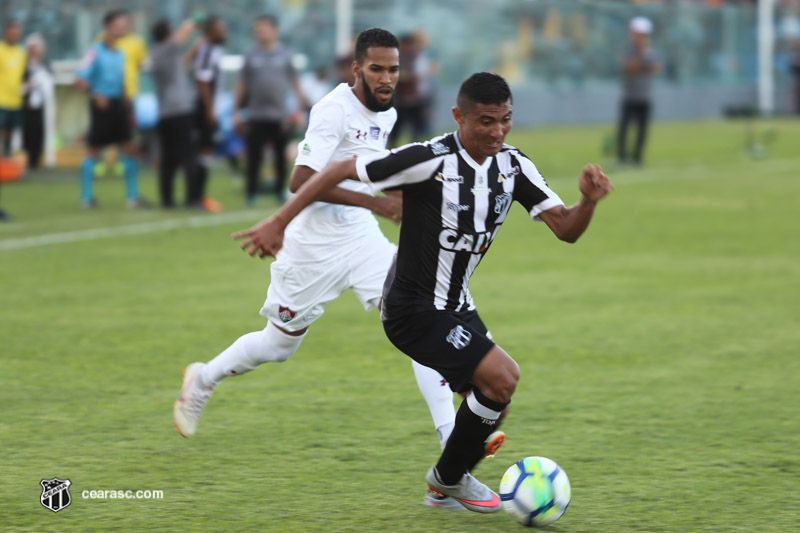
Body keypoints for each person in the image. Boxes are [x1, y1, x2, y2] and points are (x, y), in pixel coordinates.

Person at [232, 72, 613, 513]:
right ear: (459, 117)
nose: (497, 131)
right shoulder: (428, 160)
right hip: (411, 307)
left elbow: (565, 229)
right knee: (502, 376)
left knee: (492, 404)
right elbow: (337, 170)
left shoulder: (514, 166)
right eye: (485, 121)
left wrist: (587, 202)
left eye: (505, 120)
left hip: (457, 305)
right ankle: (448, 480)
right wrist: (279, 221)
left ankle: (443, 486)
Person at [174, 28, 469, 507]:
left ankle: (452, 448)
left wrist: (393, 194)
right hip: (310, 249)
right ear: (356, 69)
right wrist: (377, 204)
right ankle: (202, 380)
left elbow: (368, 169)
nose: (387, 77)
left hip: (360, 240)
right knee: (277, 347)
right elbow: (300, 178)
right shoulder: (331, 110)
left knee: (417, 319)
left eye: (393, 68)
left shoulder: (388, 111)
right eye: (376, 68)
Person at [234, 15, 309, 205]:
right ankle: (251, 192)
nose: (260, 33)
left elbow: (295, 83)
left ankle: (279, 191)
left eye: (264, 29)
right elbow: (241, 84)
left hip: (279, 115)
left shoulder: (285, 55)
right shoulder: (250, 56)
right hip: (256, 114)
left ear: (275, 31)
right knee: (254, 157)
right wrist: (236, 110)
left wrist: (299, 109)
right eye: (258, 29)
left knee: (279, 156)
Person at [75, 10, 146, 208]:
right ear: (108, 26)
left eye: (125, 24)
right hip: (101, 106)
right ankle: (86, 197)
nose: (123, 27)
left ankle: (133, 197)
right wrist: (95, 93)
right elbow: (79, 81)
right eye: (119, 24)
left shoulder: (121, 54)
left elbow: (122, 83)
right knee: (94, 151)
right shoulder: (95, 51)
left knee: (129, 148)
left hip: (118, 105)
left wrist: (129, 107)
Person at [150, 18, 199, 208]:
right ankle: (193, 198)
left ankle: (167, 199)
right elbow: (182, 35)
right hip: (179, 111)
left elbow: (183, 60)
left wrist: (198, 45)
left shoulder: (160, 54)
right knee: (188, 155)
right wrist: (192, 22)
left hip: (166, 113)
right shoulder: (165, 49)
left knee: (169, 158)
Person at [190, 16, 227, 211]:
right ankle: (196, 197)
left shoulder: (211, 49)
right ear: (211, 32)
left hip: (208, 108)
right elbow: (202, 80)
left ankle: (199, 196)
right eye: (221, 28)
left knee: (205, 152)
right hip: (204, 109)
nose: (225, 32)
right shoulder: (207, 50)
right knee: (203, 151)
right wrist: (210, 109)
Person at [617, 16, 660, 167]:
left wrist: (642, 61)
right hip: (630, 96)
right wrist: (641, 56)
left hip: (644, 96)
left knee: (642, 130)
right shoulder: (629, 50)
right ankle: (622, 157)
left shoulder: (651, 51)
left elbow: (655, 68)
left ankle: (637, 158)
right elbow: (630, 68)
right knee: (624, 129)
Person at [0, 19, 25, 220]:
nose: (15, 34)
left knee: (5, 151)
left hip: (14, 103)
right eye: (12, 30)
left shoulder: (21, 53)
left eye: (18, 31)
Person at [22, 33, 55, 170]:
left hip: (41, 107)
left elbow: (50, 83)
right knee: (26, 134)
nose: (34, 51)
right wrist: (27, 85)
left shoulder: (45, 66)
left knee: (39, 133)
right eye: (31, 48)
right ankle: (25, 161)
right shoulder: (23, 66)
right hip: (25, 106)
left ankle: (36, 161)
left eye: (36, 48)